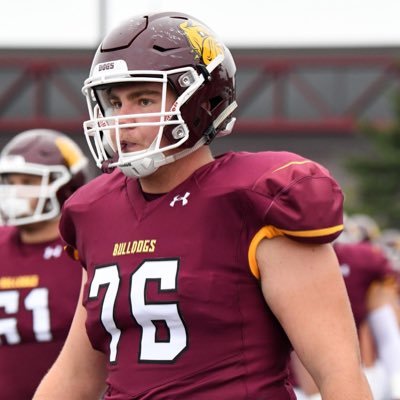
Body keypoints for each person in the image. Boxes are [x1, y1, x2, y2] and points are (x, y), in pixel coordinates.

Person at [33, 11, 372, 399]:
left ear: (200, 100)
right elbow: (76, 376)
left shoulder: (256, 202)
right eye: (114, 102)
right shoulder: (94, 211)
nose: (121, 120)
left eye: (143, 99)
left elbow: (340, 376)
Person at [0, 129, 89, 399]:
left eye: (28, 180)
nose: (15, 191)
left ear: (66, 186)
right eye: (9, 181)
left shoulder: (87, 248)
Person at [291, 214, 400, 399]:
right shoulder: (284, 261)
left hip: (353, 369)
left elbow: (385, 302)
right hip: (294, 380)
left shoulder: (362, 260)